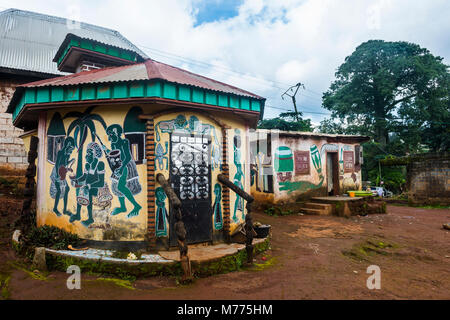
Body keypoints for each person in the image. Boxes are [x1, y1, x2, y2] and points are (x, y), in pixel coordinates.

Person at [103, 124, 142, 218]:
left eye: (111, 134)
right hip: (118, 166)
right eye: (109, 135)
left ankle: (136, 206)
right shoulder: (113, 144)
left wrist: (120, 168)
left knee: (120, 186)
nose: (109, 137)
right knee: (116, 186)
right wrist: (107, 150)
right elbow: (114, 155)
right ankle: (123, 207)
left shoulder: (124, 142)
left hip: (126, 165)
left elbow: (127, 157)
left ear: (117, 134)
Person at [69, 142, 105, 227]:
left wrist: (90, 185)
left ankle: (90, 218)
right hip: (86, 187)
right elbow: (84, 176)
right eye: (87, 153)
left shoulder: (100, 164)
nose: (87, 155)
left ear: (95, 154)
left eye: (90, 153)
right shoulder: (88, 165)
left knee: (87, 196)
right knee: (80, 195)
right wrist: (76, 180)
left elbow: (101, 182)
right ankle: (78, 214)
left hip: (95, 187)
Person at [50, 137, 75, 216]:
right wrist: (58, 175)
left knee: (67, 189)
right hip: (57, 172)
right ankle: (55, 208)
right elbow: (57, 164)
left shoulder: (67, 154)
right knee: (59, 190)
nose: (71, 151)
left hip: (62, 171)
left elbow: (64, 163)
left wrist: (70, 164)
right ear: (68, 145)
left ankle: (64, 210)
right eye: (71, 149)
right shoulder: (61, 152)